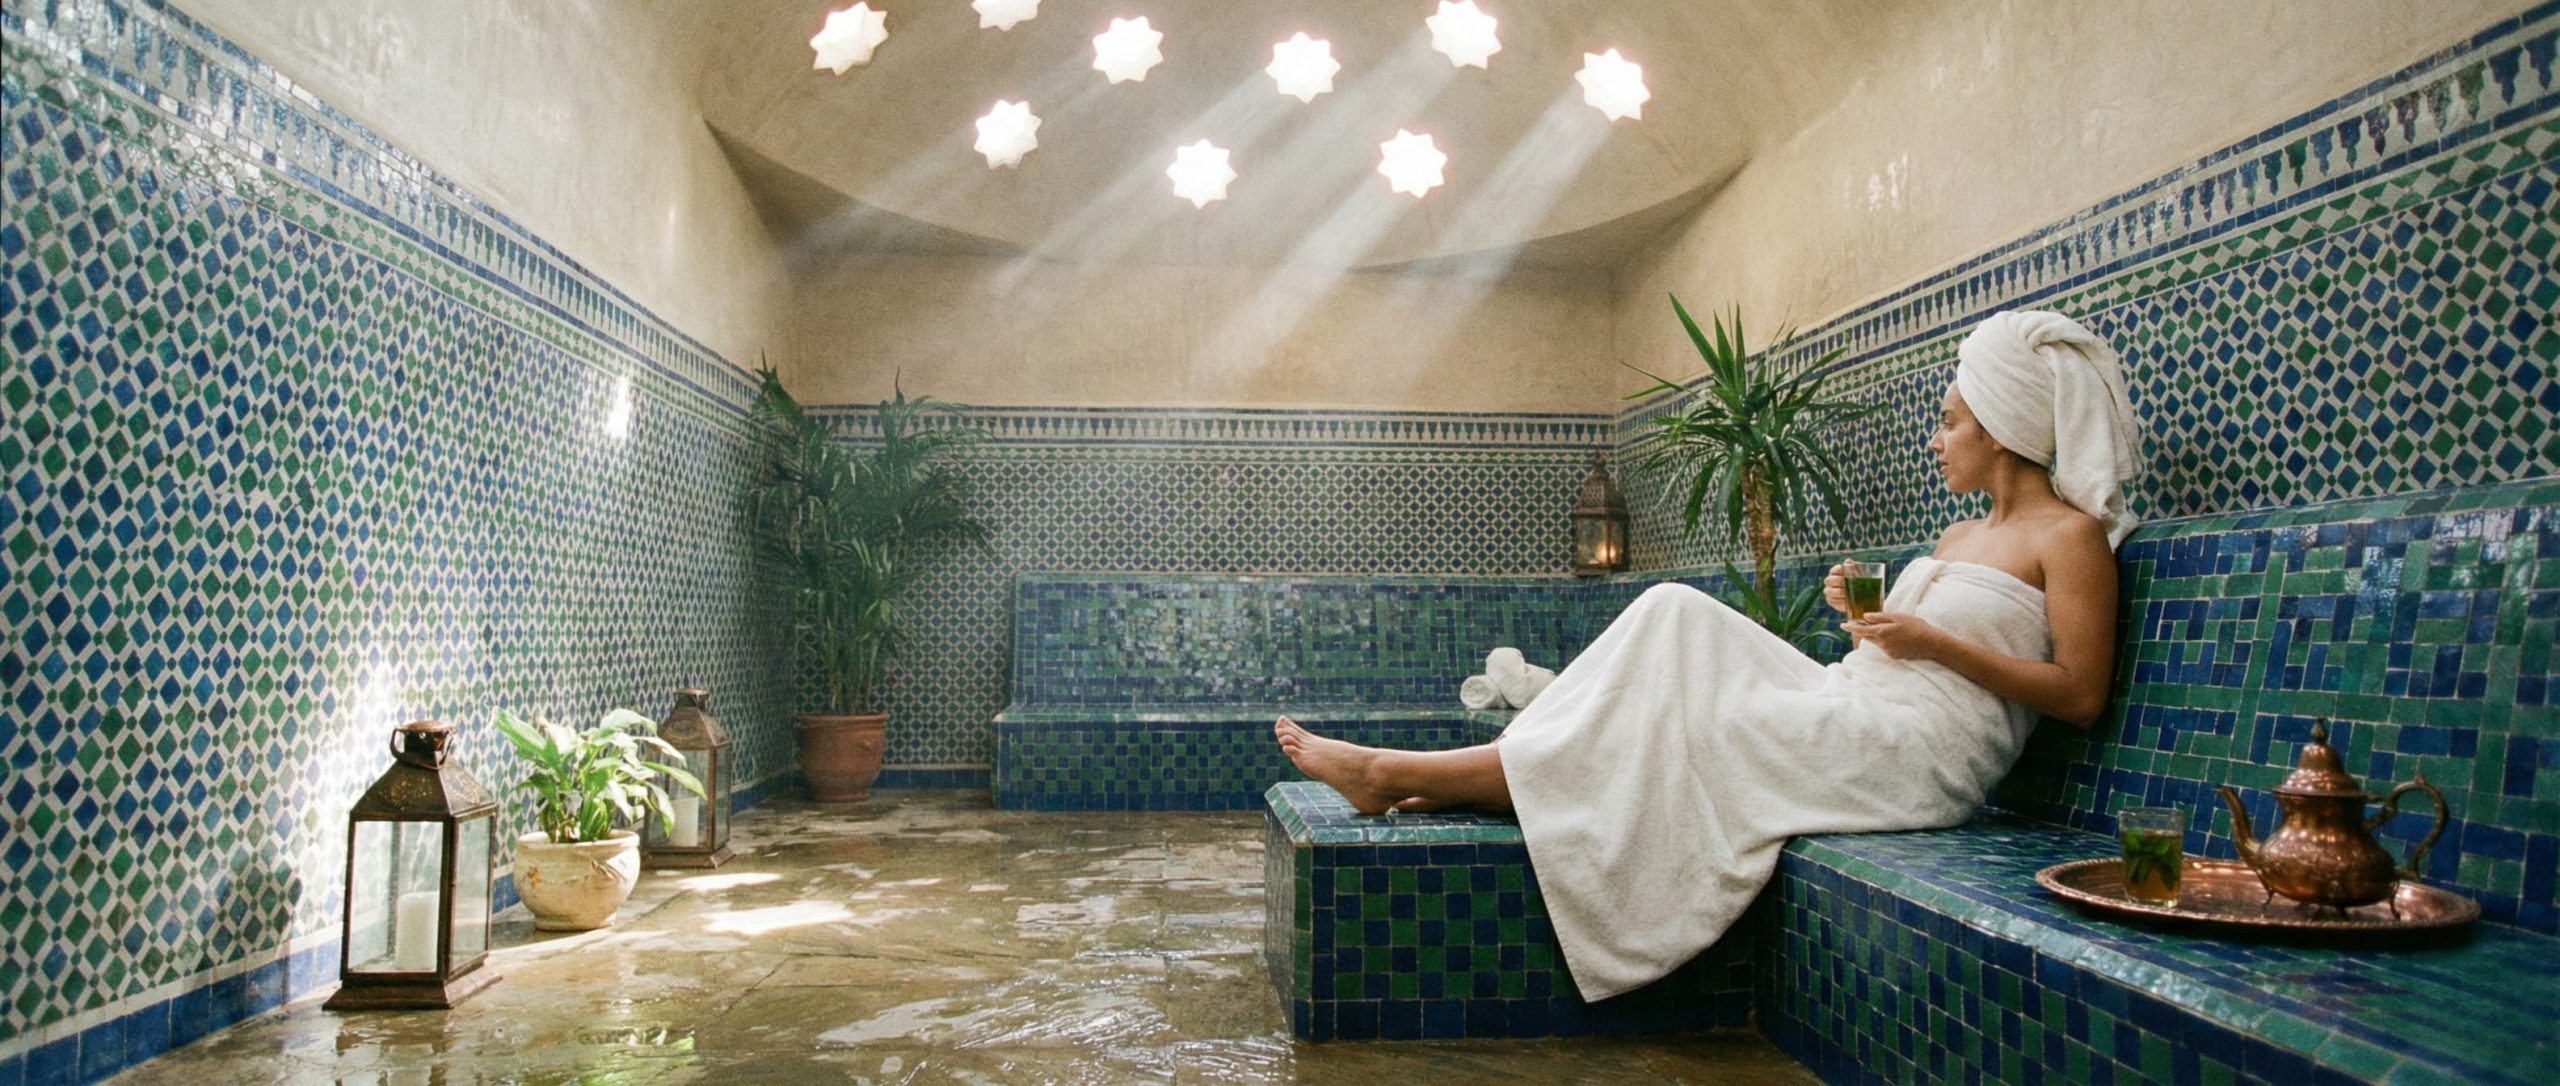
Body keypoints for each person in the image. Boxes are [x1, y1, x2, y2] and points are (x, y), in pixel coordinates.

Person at [1275, 310, 2143, 1001]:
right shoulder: (1960, 533)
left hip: (1917, 758)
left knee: (1693, 724)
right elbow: (1909, 648)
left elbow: (2077, 695)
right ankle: (1459, 770)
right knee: (1673, 610)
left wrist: (1929, 639)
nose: (1936, 439)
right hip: (1854, 699)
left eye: (1949, 423)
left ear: (1999, 427)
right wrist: (1866, 612)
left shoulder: (2070, 539)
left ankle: (1398, 773)